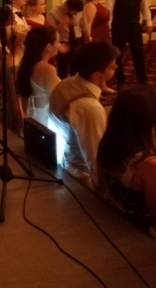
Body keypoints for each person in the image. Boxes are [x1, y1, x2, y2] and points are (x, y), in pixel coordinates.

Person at [48, 41, 119, 187]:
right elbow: (95, 160)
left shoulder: (66, 83)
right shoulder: (89, 109)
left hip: (64, 159)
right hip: (79, 175)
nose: (116, 67)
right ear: (96, 74)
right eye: (112, 67)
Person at [96, 85, 156, 238]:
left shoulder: (108, 142)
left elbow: (101, 189)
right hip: (139, 233)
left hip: (115, 215)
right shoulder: (148, 165)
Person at [104, 0, 153, 89]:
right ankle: (121, 81)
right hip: (119, 28)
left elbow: (144, 6)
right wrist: (108, 29)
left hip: (135, 26)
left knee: (139, 53)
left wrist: (148, 23)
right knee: (118, 54)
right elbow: (108, 11)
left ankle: (142, 79)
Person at [16, 26, 61, 127]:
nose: (59, 45)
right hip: (45, 122)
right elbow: (58, 99)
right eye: (58, 42)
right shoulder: (46, 69)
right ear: (49, 46)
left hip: (33, 117)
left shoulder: (28, 64)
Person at [83, 0, 114, 94]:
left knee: (104, 62)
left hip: (104, 35)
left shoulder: (98, 4)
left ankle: (103, 85)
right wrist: (89, 38)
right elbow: (88, 24)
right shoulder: (90, 5)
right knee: (97, 63)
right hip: (96, 37)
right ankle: (95, 87)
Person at [47, 0, 88, 79]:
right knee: (63, 68)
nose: (76, 14)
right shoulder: (54, 12)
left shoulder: (80, 11)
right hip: (63, 42)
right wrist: (63, 24)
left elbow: (84, 26)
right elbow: (50, 31)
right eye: (75, 11)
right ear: (67, 7)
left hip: (78, 40)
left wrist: (88, 38)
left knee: (77, 66)